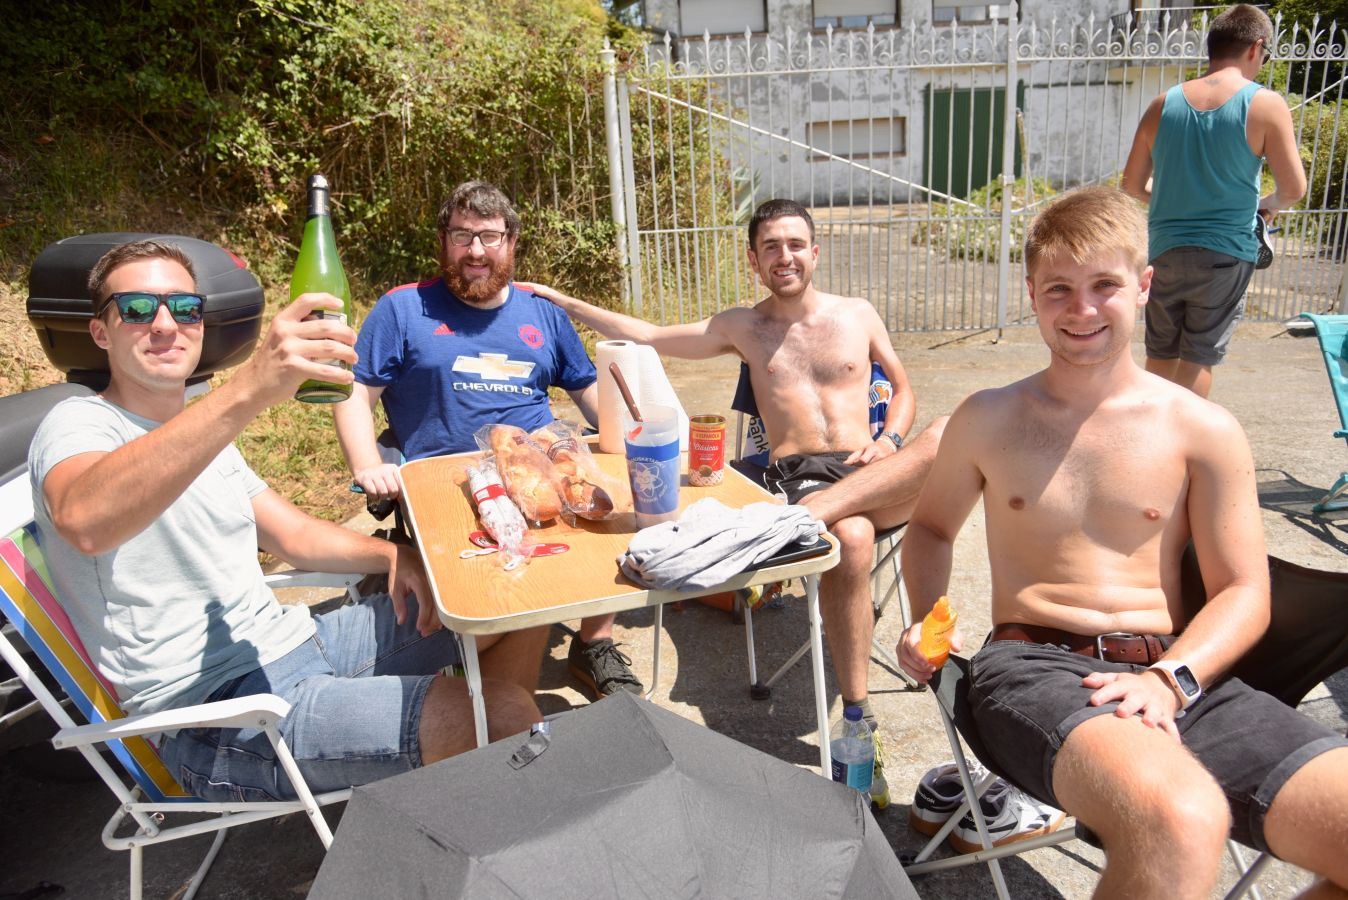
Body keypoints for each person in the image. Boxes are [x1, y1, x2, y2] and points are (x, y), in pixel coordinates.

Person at [898, 186, 1348, 899]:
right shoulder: (987, 419)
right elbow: (929, 529)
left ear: (1143, 286)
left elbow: (1244, 591)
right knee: (1181, 820)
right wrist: (928, 618)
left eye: (1104, 285)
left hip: (1178, 677)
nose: (1081, 309)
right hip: (1033, 668)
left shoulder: (1202, 429)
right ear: (1031, 294)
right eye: (1058, 288)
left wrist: (1173, 679)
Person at [29, 239, 550, 802]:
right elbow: (85, 521)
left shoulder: (201, 431)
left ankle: (486, 780)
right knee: (502, 714)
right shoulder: (79, 424)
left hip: (295, 643)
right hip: (215, 712)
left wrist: (393, 556)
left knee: (509, 600)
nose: (163, 324)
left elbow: (294, 535)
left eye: (184, 308)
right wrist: (249, 388)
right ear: (100, 332)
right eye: (136, 308)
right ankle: (494, 766)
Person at [521, 198, 946, 754]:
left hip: (873, 466)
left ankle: (817, 521)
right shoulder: (742, 327)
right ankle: (858, 720)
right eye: (771, 247)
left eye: (795, 245)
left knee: (947, 432)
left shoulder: (858, 314)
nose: (785, 256)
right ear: (754, 259)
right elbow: (649, 336)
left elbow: (903, 389)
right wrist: (563, 301)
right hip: (802, 477)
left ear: (815, 252)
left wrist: (890, 440)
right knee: (854, 535)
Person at [332, 181, 641, 699]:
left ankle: (594, 642)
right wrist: (367, 463)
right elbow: (354, 389)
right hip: (444, 479)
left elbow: (588, 391)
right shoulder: (403, 309)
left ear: (511, 242)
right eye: (462, 236)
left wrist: (625, 440)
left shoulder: (542, 312)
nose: (475, 251)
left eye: (490, 237)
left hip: (540, 465)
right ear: (443, 240)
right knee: (495, 588)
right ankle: (487, 690)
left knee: (613, 510)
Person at [1121, 3, 1306, 399]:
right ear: (1256, 47)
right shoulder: (1265, 104)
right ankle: (1184, 436)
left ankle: (1151, 433)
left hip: (1165, 250)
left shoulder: (1162, 104)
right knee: (1197, 358)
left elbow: (1131, 184)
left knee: (1160, 354)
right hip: (1225, 252)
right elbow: (1293, 189)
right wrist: (1267, 204)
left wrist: (1170, 198)